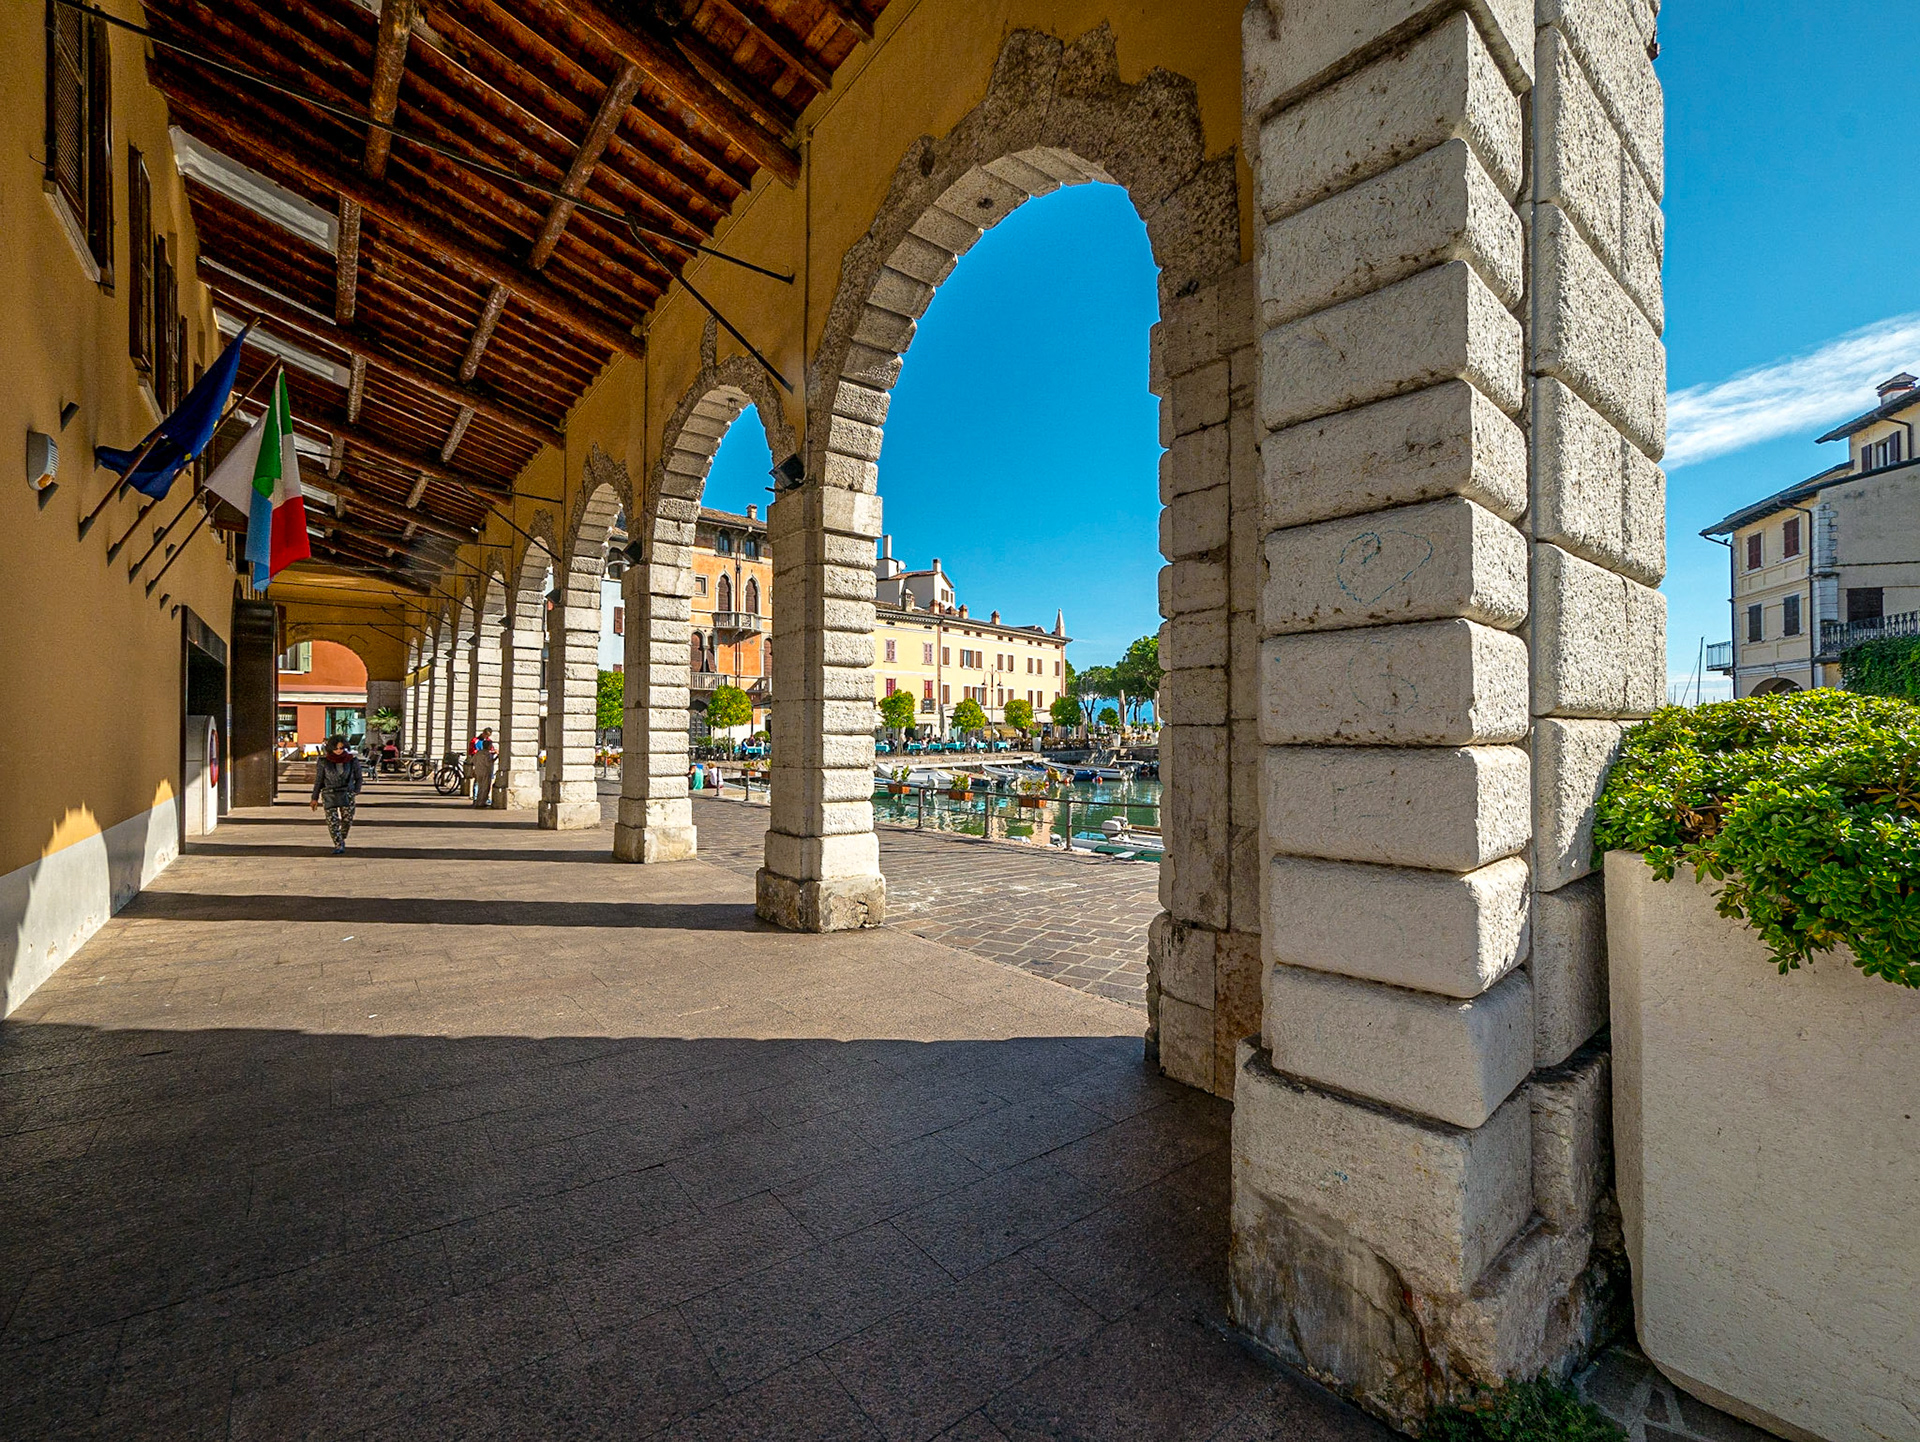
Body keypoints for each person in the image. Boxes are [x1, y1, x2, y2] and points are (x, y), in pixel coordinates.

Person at [310, 734, 364, 854]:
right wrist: (314, 798)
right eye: (336, 748)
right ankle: (338, 844)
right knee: (332, 821)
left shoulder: (352, 761)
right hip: (329, 793)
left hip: (347, 793)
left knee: (347, 820)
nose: (339, 750)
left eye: (341, 748)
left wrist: (356, 790)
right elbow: (319, 780)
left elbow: (359, 777)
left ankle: (341, 837)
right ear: (331, 748)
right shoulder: (324, 762)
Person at [470, 727, 497, 807]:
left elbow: (473, 760)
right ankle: (481, 801)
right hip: (485, 771)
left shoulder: (478, 753)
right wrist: (496, 756)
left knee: (480, 786)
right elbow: (489, 762)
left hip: (478, 770)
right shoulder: (476, 741)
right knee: (485, 787)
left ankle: (478, 800)